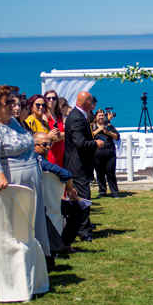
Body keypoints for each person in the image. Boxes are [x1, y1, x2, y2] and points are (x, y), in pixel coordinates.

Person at [0, 84, 51, 261]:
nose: (11, 105)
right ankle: (23, 264)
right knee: (20, 226)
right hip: (15, 180)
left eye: (12, 101)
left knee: (35, 221)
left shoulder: (14, 122)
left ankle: (38, 261)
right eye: (7, 102)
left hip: (32, 177)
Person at [35, 132, 83, 261]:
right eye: (44, 144)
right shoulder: (38, 161)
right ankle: (64, 243)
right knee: (79, 208)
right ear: (34, 146)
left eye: (49, 144)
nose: (48, 147)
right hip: (49, 203)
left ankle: (63, 243)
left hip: (48, 201)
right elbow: (65, 173)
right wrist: (69, 188)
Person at [63, 91, 103, 242]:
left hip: (79, 164)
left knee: (81, 195)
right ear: (88, 103)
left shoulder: (77, 116)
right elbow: (79, 143)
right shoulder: (77, 118)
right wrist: (96, 143)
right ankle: (82, 231)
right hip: (77, 165)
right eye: (92, 103)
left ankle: (82, 225)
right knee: (83, 196)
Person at [31, 90, 65, 166]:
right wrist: (62, 136)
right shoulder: (44, 116)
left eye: (54, 98)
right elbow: (49, 137)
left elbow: (68, 135)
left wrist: (59, 135)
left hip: (61, 150)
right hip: (51, 151)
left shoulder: (60, 116)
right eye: (48, 98)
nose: (51, 100)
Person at [92, 109, 121, 198]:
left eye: (102, 115)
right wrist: (98, 130)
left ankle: (115, 193)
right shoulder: (92, 126)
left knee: (110, 173)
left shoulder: (109, 126)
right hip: (98, 153)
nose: (101, 117)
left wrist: (108, 132)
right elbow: (89, 136)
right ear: (96, 117)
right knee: (100, 174)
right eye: (99, 115)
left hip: (109, 153)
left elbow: (117, 137)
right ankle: (102, 192)